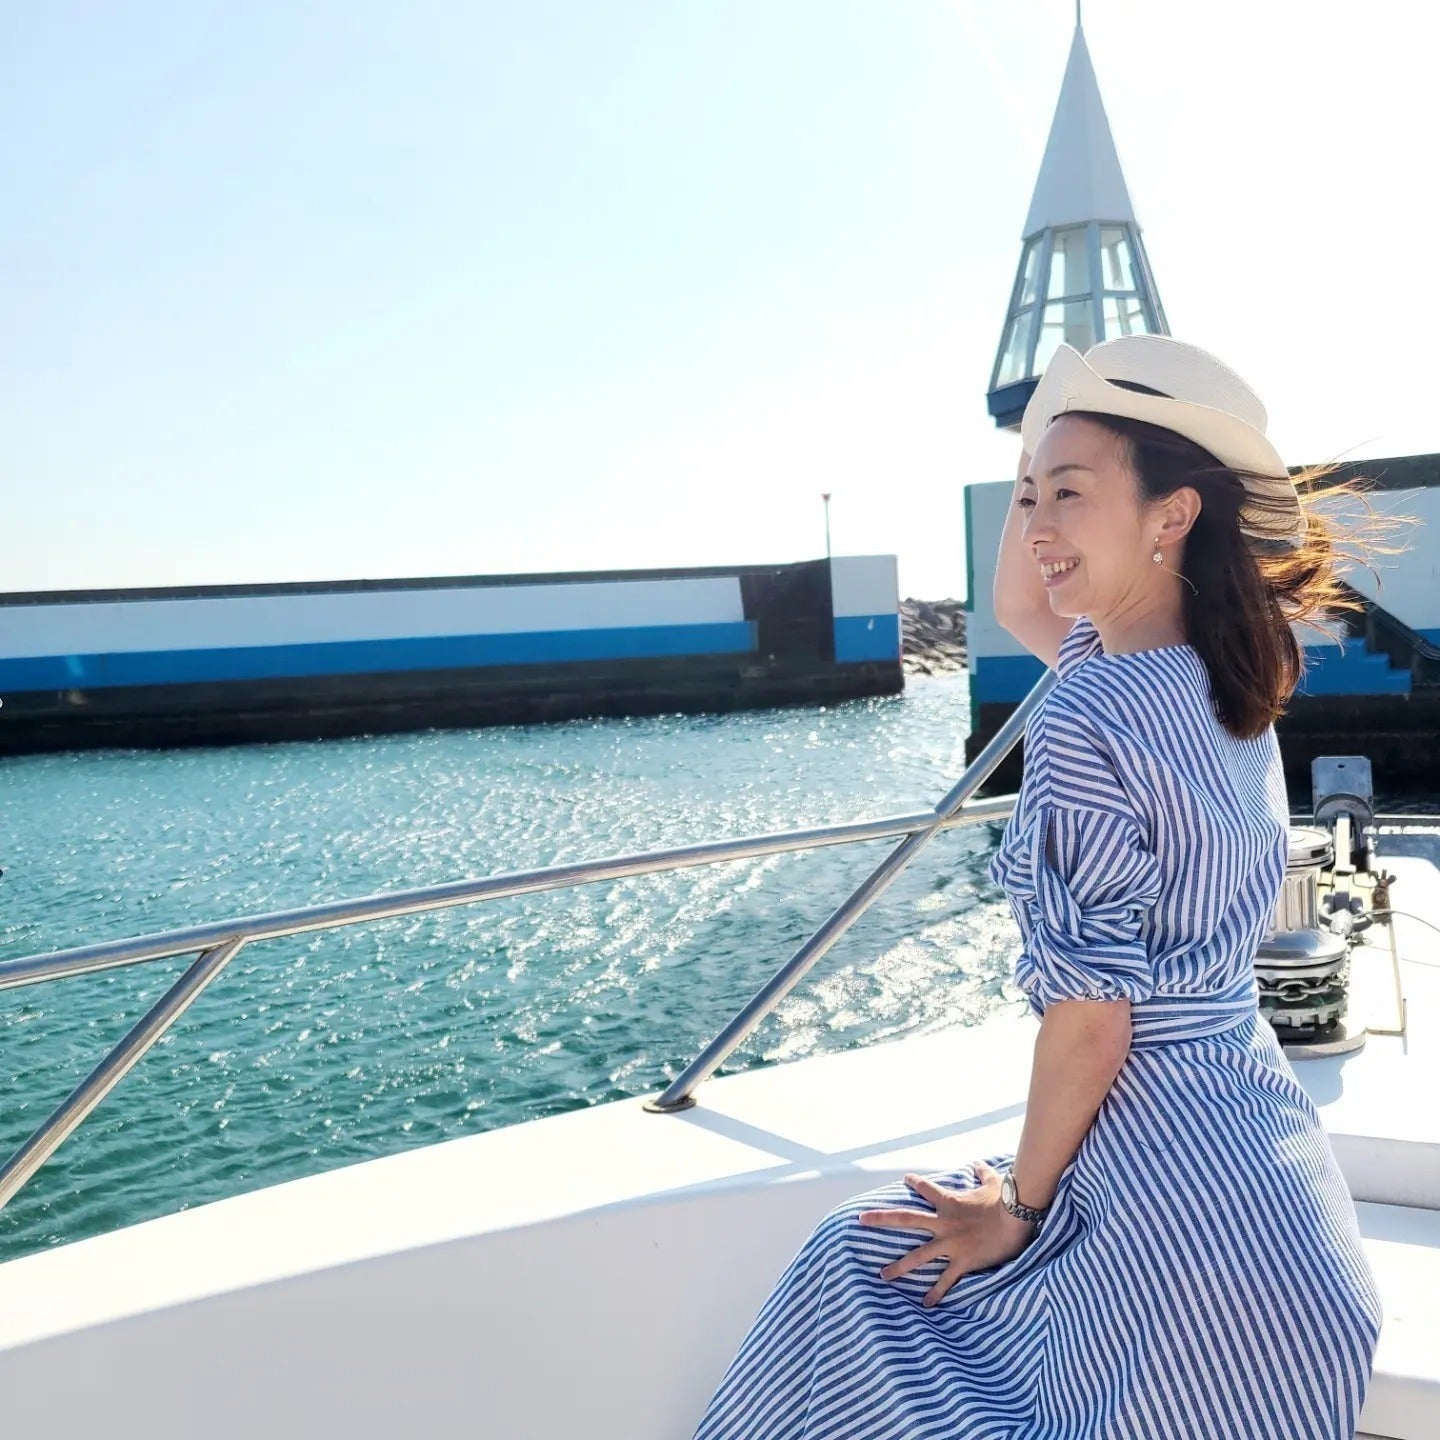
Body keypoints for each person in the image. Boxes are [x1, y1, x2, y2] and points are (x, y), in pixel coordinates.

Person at [689, 334, 1384, 1439]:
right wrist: (1055, 437)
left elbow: (1094, 1023)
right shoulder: (1224, 677)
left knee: (856, 1264)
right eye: (1028, 499)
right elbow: (1024, 600)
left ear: (1173, 515)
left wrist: (1017, 1206)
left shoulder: (1087, 709)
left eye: (1069, 494)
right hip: (1276, 1207)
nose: (1040, 526)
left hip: (1174, 1223)